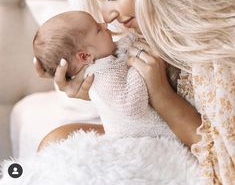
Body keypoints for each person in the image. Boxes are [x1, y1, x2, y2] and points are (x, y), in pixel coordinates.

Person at [34, 0, 235, 184]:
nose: (106, 15)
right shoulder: (143, 28)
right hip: (162, 132)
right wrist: (92, 88)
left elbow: (223, 159)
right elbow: (126, 100)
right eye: (98, 1)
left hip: (196, 142)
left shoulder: (216, 41)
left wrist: (160, 92)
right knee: (54, 141)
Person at [33, 10, 176, 139]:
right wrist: (137, 67)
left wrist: (142, 33)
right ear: (85, 56)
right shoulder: (102, 77)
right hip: (143, 137)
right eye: (98, 29)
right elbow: (130, 107)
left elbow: (127, 44)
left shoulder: (107, 56)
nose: (104, 25)